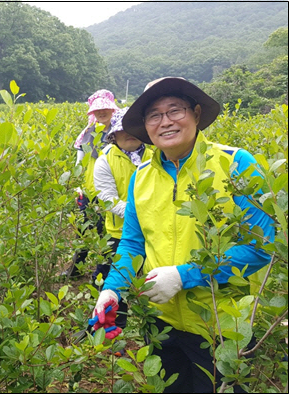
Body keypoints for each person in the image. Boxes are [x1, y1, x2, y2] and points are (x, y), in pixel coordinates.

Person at [91, 77, 274, 392]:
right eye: (154, 115)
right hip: (161, 323)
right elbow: (132, 244)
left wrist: (184, 276)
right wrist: (112, 291)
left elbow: (262, 247)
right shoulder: (141, 179)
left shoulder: (236, 164)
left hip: (220, 324)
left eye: (175, 110)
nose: (165, 122)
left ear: (197, 113)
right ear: (146, 127)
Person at [92, 107, 152, 331]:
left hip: (155, 232)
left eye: (134, 128)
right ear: (113, 136)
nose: (129, 133)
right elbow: (107, 199)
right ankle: (113, 326)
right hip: (121, 234)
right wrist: (141, 215)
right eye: (122, 130)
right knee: (116, 280)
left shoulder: (157, 154)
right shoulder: (105, 160)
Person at [64, 89, 120, 278]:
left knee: (110, 234)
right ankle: (76, 269)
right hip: (89, 190)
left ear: (112, 109)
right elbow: (79, 163)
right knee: (85, 231)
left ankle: (103, 274)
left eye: (105, 108)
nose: (101, 112)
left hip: (113, 191)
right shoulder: (88, 133)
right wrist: (78, 185)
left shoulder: (120, 132)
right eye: (97, 109)